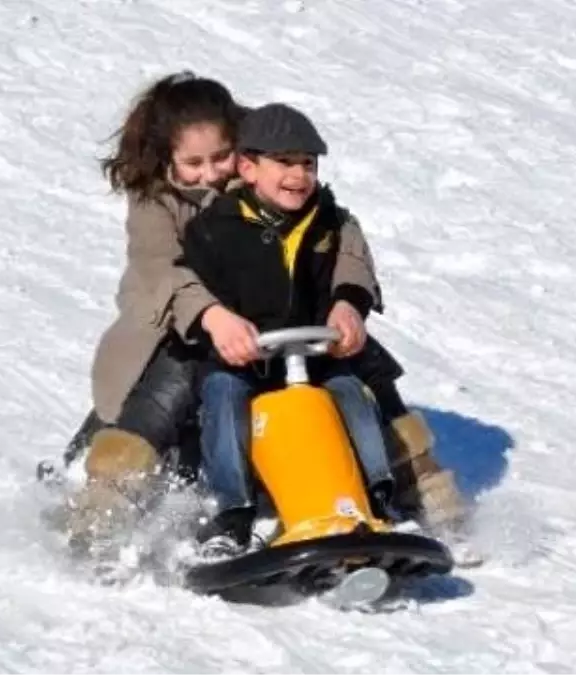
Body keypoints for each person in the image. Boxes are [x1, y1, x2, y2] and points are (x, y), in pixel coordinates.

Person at [62, 73, 467, 558]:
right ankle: (104, 507)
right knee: (173, 385)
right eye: (192, 163)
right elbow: (159, 270)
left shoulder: (266, 169)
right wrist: (212, 316)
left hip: (276, 324)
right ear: (166, 158)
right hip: (180, 324)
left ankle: (420, 487)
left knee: (362, 369)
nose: (210, 173)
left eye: (219, 157)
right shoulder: (156, 201)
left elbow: (338, 229)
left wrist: (348, 299)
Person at [180, 102, 396, 557]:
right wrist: (220, 328)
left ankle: (378, 497)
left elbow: (352, 270)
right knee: (222, 395)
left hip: (314, 356)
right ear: (248, 167)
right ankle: (232, 514)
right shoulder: (213, 229)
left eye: (308, 164)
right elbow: (192, 292)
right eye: (285, 163)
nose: (299, 176)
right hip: (243, 361)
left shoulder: (329, 221)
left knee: (351, 392)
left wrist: (348, 308)